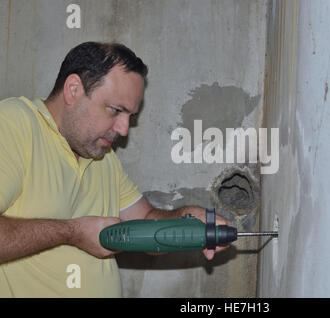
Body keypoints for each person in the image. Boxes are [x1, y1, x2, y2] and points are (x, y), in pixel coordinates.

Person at [0, 42, 230, 297]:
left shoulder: (103, 157)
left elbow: (144, 221)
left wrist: (189, 219)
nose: (123, 129)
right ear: (73, 90)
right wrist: (72, 232)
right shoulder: (14, 124)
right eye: (116, 110)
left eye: (130, 116)